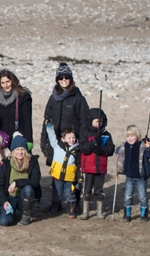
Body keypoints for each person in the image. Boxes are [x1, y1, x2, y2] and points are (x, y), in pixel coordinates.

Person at [40, 62, 89, 213]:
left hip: (73, 144)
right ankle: (56, 203)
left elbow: (84, 121)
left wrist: (80, 143)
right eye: (60, 77)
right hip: (56, 144)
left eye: (66, 77)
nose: (63, 80)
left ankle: (75, 204)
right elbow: (46, 120)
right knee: (56, 175)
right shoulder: (53, 98)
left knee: (73, 176)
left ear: (70, 78)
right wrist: (44, 142)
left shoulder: (78, 99)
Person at [0, 133, 41, 226]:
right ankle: (16, 213)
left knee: (28, 189)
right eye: (17, 149)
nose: (20, 152)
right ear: (13, 151)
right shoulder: (6, 164)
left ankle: (26, 214)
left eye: (23, 149)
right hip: (10, 198)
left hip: (24, 197)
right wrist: (4, 201)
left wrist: (16, 182)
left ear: (26, 150)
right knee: (4, 221)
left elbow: (35, 181)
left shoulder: (33, 162)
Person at [78, 108, 115, 220]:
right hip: (88, 167)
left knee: (99, 190)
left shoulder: (106, 134)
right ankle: (85, 211)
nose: (100, 123)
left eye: (102, 121)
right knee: (87, 191)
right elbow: (83, 148)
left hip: (100, 168)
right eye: (97, 121)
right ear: (91, 121)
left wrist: (101, 150)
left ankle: (100, 211)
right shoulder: (85, 133)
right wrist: (93, 142)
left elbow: (111, 149)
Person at [116, 125, 150, 222]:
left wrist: (149, 147)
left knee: (142, 197)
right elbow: (117, 150)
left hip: (141, 178)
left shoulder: (142, 146)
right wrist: (118, 153)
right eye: (128, 136)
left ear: (137, 136)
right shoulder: (124, 145)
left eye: (132, 136)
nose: (129, 138)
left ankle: (144, 215)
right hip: (129, 177)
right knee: (127, 196)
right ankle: (127, 214)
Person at [45, 119, 80, 218]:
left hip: (69, 178)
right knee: (57, 193)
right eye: (69, 138)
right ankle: (55, 207)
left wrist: (79, 178)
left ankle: (71, 209)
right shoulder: (57, 146)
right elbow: (51, 136)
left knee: (70, 194)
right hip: (57, 176)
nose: (72, 140)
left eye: (73, 137)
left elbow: (79, 165)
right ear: (63, 139)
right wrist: (49, 126)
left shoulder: (77, 150)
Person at [0, 69, 33, 151]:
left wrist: (29, 140)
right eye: (3, 83)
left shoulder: (23, 97)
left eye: (8, 81)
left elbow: (27, 121)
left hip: (19, 140)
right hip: (3, 141)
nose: (6, 85)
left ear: (13, 81)